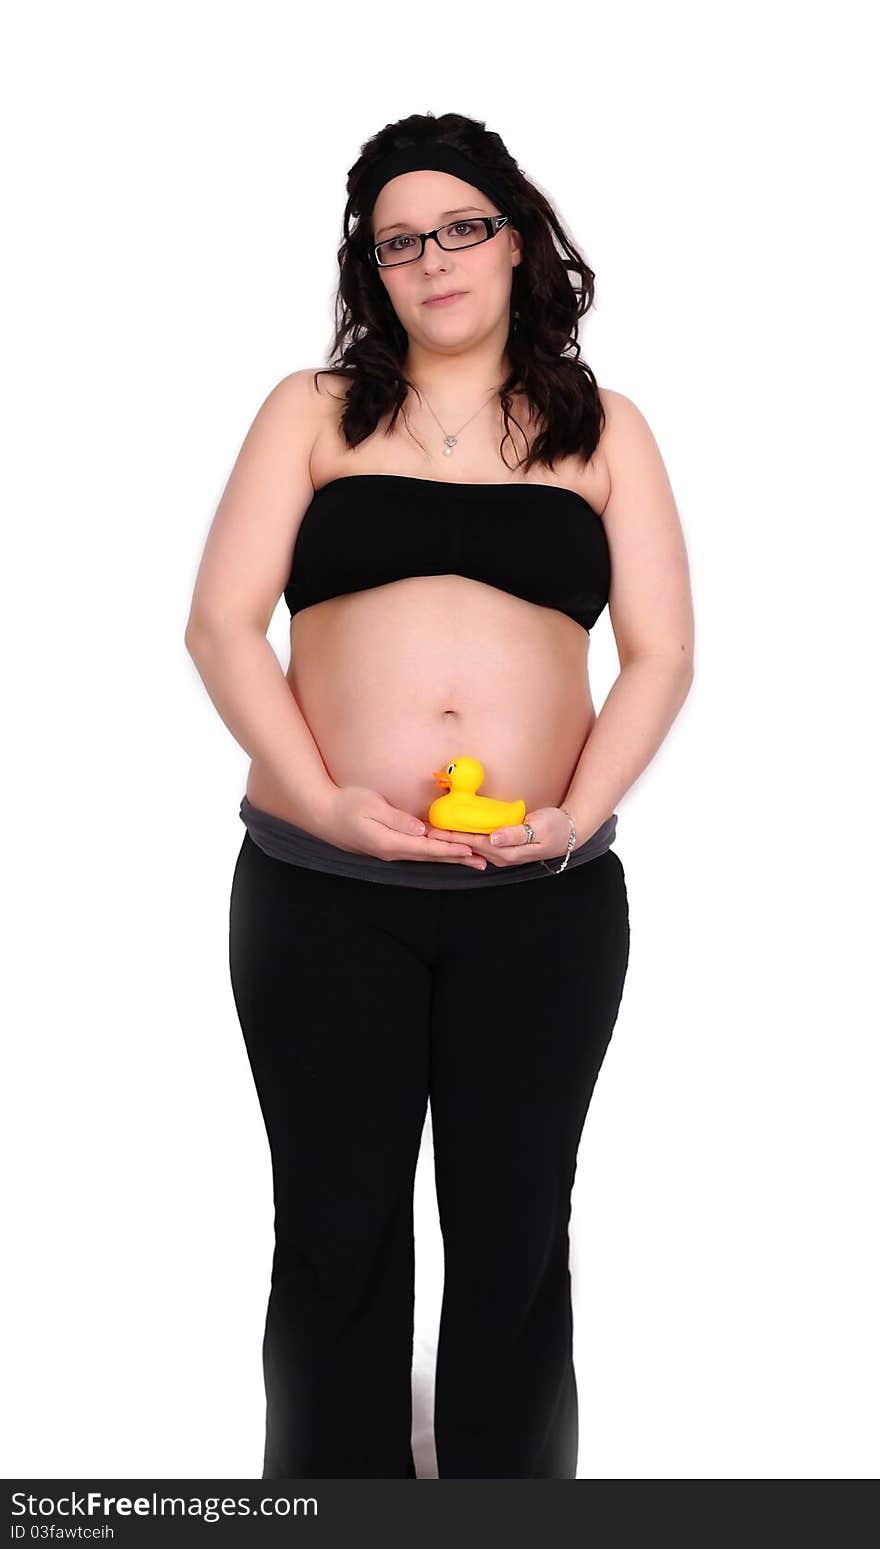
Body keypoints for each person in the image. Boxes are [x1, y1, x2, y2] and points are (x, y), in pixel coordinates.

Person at [185, 111, 694, 1480]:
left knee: (517, 1232)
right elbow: (223, 627)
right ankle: (328, 1502)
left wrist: (573, 817)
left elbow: (660, 653)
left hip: (545, 896)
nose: (433, 257)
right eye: (400, 238)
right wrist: (321, 801)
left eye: (460, 225)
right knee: (336, 1229)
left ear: (516, 240)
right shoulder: (311, 410)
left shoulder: (604, 430)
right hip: (319, 886)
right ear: (375, 266)